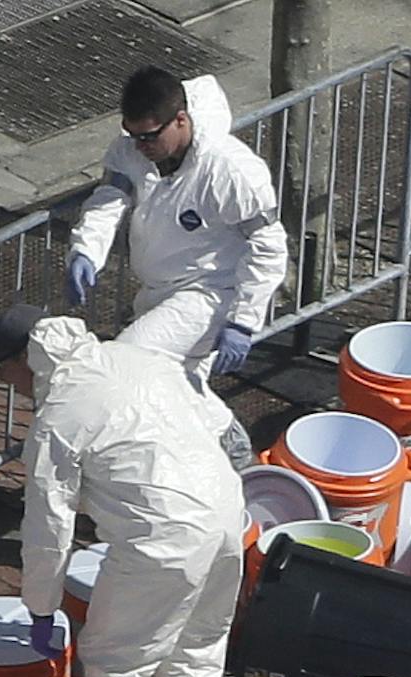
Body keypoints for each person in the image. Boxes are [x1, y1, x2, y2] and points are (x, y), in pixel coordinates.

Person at [0, 304, 244, 677]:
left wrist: (42, 609)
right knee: (196, 649)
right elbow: (218, 425)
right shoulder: (137, 358)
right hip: (227, 515)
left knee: (119, 662)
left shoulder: (59, 415)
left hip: (163, 537)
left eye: (0, 368)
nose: (2, 380)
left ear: (26, 359)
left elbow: (48, 528)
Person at [65, 67, 288, 461]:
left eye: (150, 136)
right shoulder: (132, 148)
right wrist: (86, 250)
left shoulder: (231, 171)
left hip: (210, 292)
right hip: (158, 287)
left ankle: (225, 436)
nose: (140, 146)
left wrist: (242, 320)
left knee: (128, 360)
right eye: (133, 135)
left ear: (181, 120)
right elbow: (109, 198)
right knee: (175, 382)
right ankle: (208, 453)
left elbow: (269, 248)